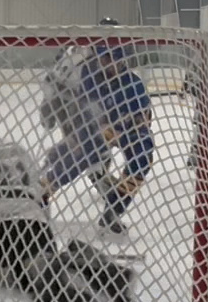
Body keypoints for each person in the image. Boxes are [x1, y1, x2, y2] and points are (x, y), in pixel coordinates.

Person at [43, 37, 153, 235]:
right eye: (106, 59)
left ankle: (113, 211)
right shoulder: (86, 75)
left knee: (143, 156)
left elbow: (143, 122)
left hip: (123, 131)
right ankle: (43, 190)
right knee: (80, 155)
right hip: (96, 131)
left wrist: (133, 129)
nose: (111, 64)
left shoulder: (134, 85)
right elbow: (84, 116)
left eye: (116, 60)